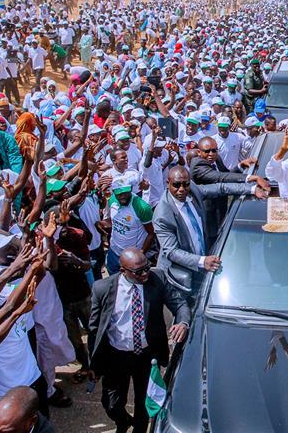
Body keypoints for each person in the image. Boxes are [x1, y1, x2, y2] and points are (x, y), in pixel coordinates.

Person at [88, 247, 190, 433]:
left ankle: (140, 429)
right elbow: (94, 329)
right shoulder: (102, 288)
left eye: (147, 267)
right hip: (115, 356)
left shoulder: (157, 278)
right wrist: (94, 364)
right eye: (138, 272)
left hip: (146, 356)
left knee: (143, 402)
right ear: (123, 271)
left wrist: (183, 323)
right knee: (111, 403)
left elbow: (179, 303)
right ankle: (124, 421)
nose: (145, 274)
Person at [153, 165, 263, 294]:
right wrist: (202, 261)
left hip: (204, 264)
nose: (182, 189)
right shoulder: (162, 216)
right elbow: (172, 251)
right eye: (176, 185)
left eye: (186, 184)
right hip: (181, 275)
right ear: (168, 183)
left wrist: (251, 189)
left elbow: (220, 188)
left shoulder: (192, 190)